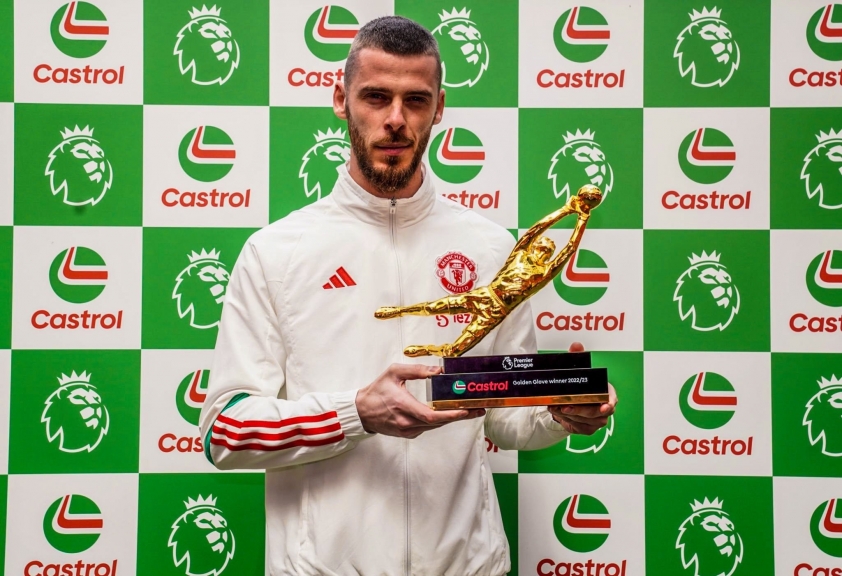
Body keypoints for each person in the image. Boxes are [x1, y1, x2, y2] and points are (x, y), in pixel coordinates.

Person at [199, 15, 617, 576]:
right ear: (341, 100)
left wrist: (562, 411)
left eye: (415, 100)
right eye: (376, 97)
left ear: (438, 108)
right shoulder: (276, 252)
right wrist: (355, 413)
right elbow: (225, 431)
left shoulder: (491, 247)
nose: (395, 119)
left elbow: (503, 419)